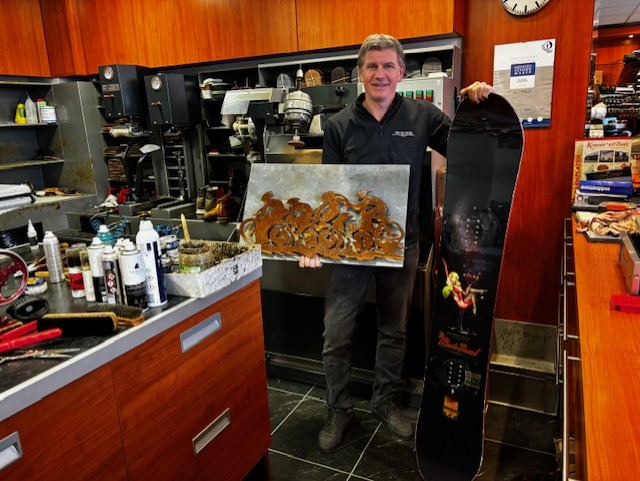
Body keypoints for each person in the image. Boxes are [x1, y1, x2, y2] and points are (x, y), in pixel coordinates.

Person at [299, 33, 494, 453]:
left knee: (394, 329)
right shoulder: (338, 125)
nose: (380, 74)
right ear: (360, 73)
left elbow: (465, 147)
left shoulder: (422, 116)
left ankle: (384, 403)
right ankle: (339, 409)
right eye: (372, 66)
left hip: (402, 244)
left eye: (388, 65)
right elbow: (326, 190)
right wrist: (313, 242)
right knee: (336, 334)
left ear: (401, 72)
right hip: (350, 247)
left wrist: (476, 105)